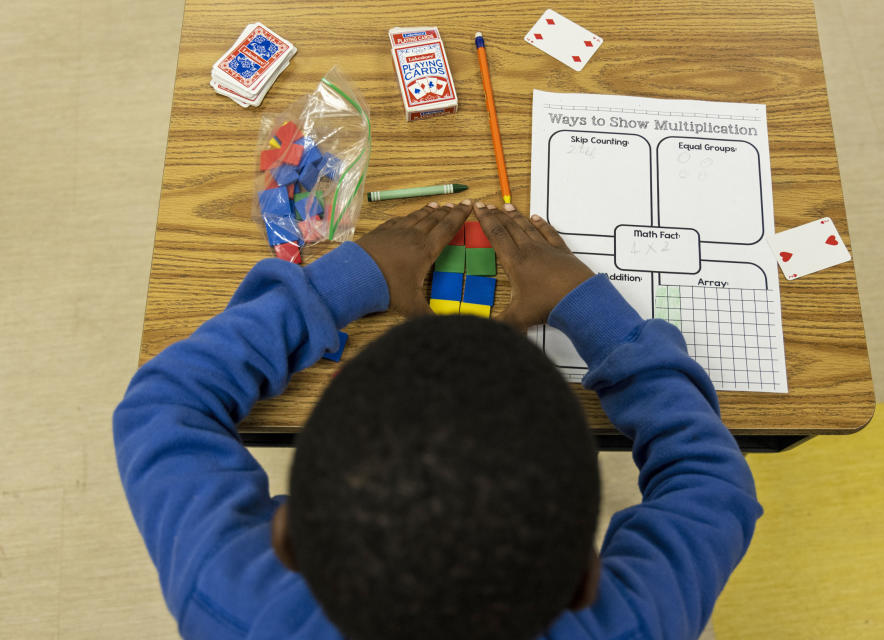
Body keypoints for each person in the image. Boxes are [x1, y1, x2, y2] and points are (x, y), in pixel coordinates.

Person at [114, 199, 762, 640]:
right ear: (586, 580)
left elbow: (163, 405)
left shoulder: (232, 604)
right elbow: (714, 487)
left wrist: (340, 282)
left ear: (285, 539)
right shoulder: (629, 626)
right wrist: (587, 306)